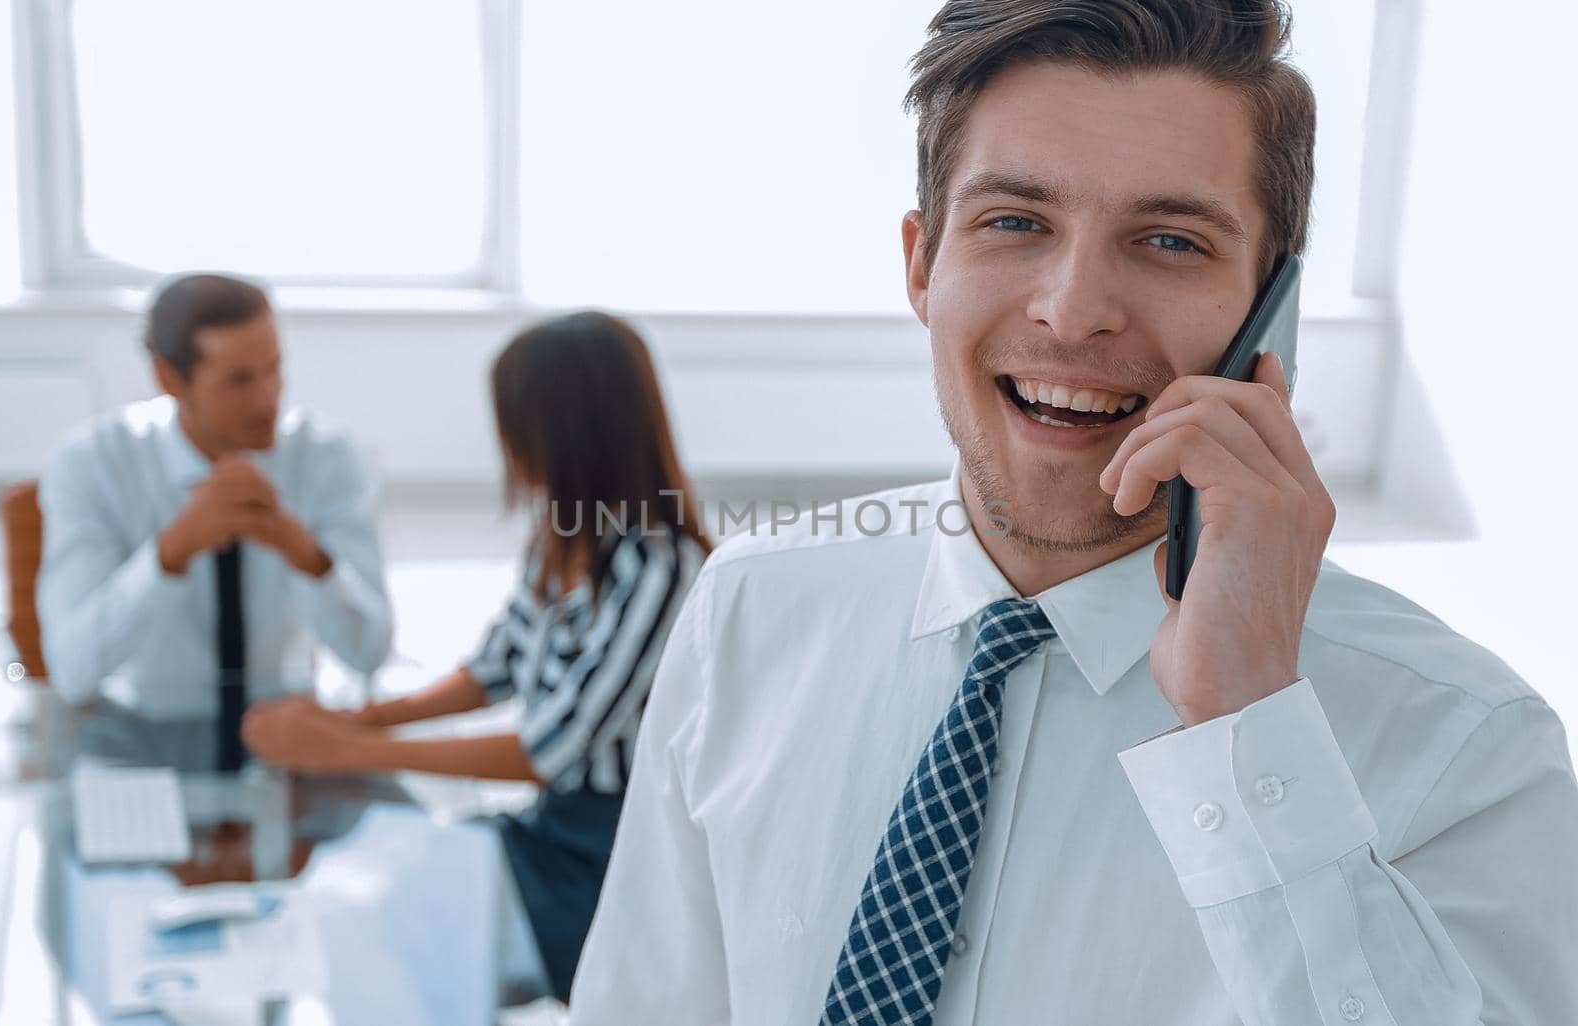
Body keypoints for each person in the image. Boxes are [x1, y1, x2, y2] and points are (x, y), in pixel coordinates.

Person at [568, 3, 1578, 1024]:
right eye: (1015, 222)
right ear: (922, 264)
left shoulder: (1466, 743)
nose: (1072, 306)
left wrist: (1251, 725)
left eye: (1170, 241)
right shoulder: (748, 610)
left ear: (1270, 313)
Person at [241, 310, 713, 1003]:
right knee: (378, 892)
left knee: (401, 928)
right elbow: (490, 671)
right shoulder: (560, 544)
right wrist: (355, 721)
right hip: (549, 829)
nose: (506, 447)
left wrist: (346, 751)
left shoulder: (660, 569)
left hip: (611, 861)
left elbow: (545, 750)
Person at [36, 274, 393, 752]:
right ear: (168, 378)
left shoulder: (329, 458)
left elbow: (368, 654)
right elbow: (72, 671)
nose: (269, 399)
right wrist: (170, 553)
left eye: (275, 369)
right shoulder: (91, 465)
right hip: (135, 739)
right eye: (240, 380)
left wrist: (305, 553)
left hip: (287, 728)